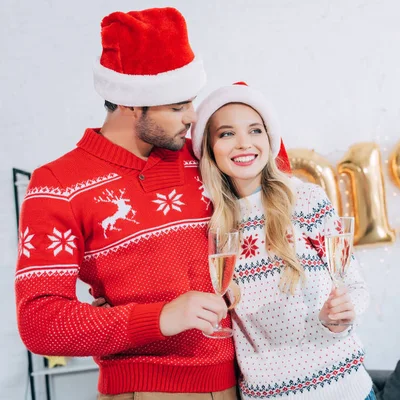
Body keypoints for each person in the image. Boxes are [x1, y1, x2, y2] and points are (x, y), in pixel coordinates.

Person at [15, 8, 289, 399]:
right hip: (142, 390)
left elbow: (276, 169)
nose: (192, 117)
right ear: (130, 105)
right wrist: (159, 317)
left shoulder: (199, 155)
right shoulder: (57, 184)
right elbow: (39, 323)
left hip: (237, 384)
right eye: (178, 107)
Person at [191, 82, 376, 399]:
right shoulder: (212, 227)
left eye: (254, 130)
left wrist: (339, 317)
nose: (243, 143)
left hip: (346, 390)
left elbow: (354, 286)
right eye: (226, 134)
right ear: (209, 148)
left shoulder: (307, 199)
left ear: (269, 138)